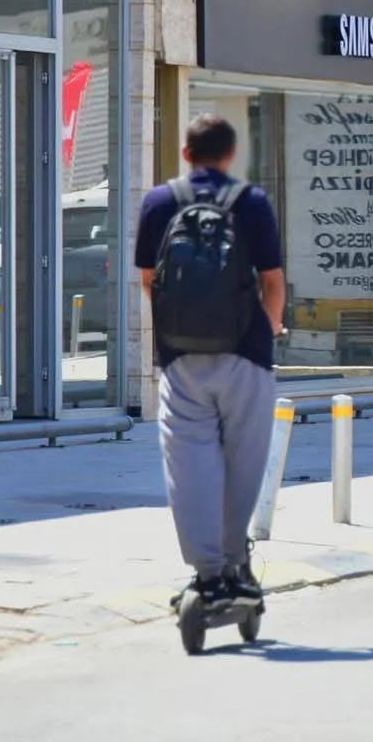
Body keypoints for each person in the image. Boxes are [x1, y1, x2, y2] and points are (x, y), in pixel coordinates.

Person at [134, 114, 285, 609]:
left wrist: (181, 321)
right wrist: (268, 329)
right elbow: (273, 282)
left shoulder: (159, 202)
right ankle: (236, 561)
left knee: (190, 465)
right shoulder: (251, 202)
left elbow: (148, 280)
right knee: (243, 464)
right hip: (246, 355)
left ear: (186, 153)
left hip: (181, 358)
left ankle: (207, 573)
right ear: (230, 154)